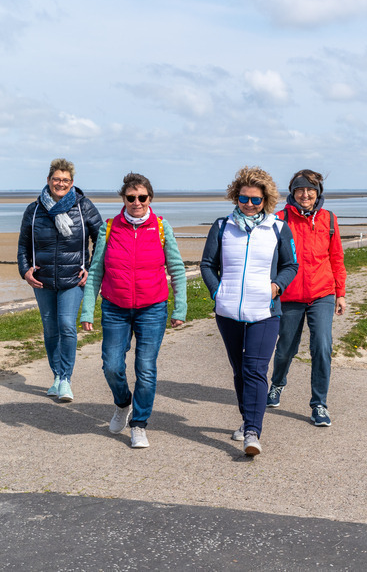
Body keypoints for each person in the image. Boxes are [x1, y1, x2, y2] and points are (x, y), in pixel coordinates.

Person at [80, 173, 188, 449]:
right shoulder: (109, 227)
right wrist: (87, 311)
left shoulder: (161, 227)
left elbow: (176, 269)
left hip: (152, 308)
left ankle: (139, 424)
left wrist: (181, 307)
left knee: (146, 369)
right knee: (112, 365)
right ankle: (122, 403)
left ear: (150, 198)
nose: (137, 202)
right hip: (115, 308)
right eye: (131, 197)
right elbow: (95, 272)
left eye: (142, 197)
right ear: (124, 199)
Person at [200, 166, 298, 457]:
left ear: (266, 200)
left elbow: (290, 265)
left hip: (265, 311)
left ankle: (252, 432)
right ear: (236, 197)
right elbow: (207, 264)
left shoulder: (278, 228)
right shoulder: (222, 226)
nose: (249, 205)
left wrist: (276, 287)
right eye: (244, 199)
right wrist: (218, 291)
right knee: (240, 370)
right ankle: (247, 420)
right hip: (228, 310)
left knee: (255, 369)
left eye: (256, 200)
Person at [18, 158, 103, 402]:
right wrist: (25, 271)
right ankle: (56, 376)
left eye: (65, 180)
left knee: (66, 325)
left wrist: (90, 268)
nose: (61, 183)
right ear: (48, 180)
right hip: (42, 279)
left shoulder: (82, 206)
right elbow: (23, 244)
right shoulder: (34, 209)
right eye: (56, 179)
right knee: (50, 328)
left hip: (73, 279)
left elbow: (101, 239)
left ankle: (66, 379)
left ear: (72, 183)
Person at [267, 169, 346, 427]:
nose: (305, 194)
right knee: (285, 348)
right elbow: (269, 258)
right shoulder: (279, 219)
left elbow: (336, 259)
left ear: (318, 193)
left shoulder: (329, 219)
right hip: (289, 295)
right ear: (293, 192)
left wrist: (341, 294)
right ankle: (277, 384)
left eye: (310, 189)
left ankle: (319, 404)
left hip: (322, 294)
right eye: (300, 189)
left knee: (322, 347)